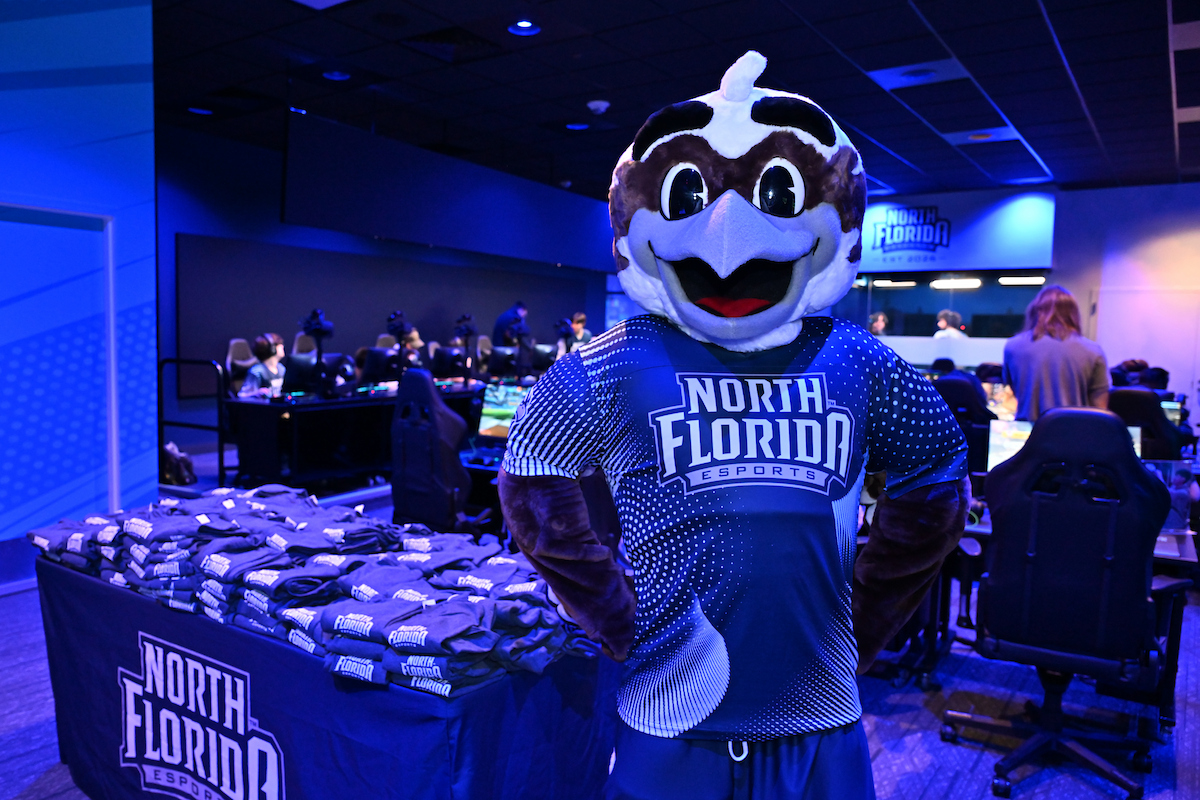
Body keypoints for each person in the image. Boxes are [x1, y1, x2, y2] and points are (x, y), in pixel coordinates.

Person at [499, 52, 967, 800]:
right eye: (688, 195)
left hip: (818, 714)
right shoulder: (619, 360)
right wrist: (613, 611)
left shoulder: (855, 358)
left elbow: (938, 465)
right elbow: (530, 463)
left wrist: (871, 617)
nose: (727, 231)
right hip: (669, 714)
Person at [1002, 285, 1108, 422]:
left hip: (1027, 434)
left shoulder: (1013, 347)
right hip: (1075, 434)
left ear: (1035, 311)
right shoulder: (1093, 350)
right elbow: (1100, 407)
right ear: (1074, 313)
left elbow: (1015, 390)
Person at [239, 333, 286, 397]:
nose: (282, 346)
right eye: (279, 344)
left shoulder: (281, 368)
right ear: (272, 348)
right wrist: (257, 393)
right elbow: (242, 396)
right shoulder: (257, 372)